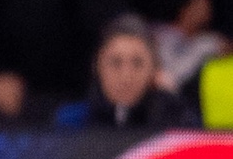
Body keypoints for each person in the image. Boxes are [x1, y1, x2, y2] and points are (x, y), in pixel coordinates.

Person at [54, 13, 199, 127]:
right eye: (115, 63)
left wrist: (174, 103)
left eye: (138, 63)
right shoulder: (71, 122)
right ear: (96, 66)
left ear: (154, 70)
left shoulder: (175, 120)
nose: (126, 77)